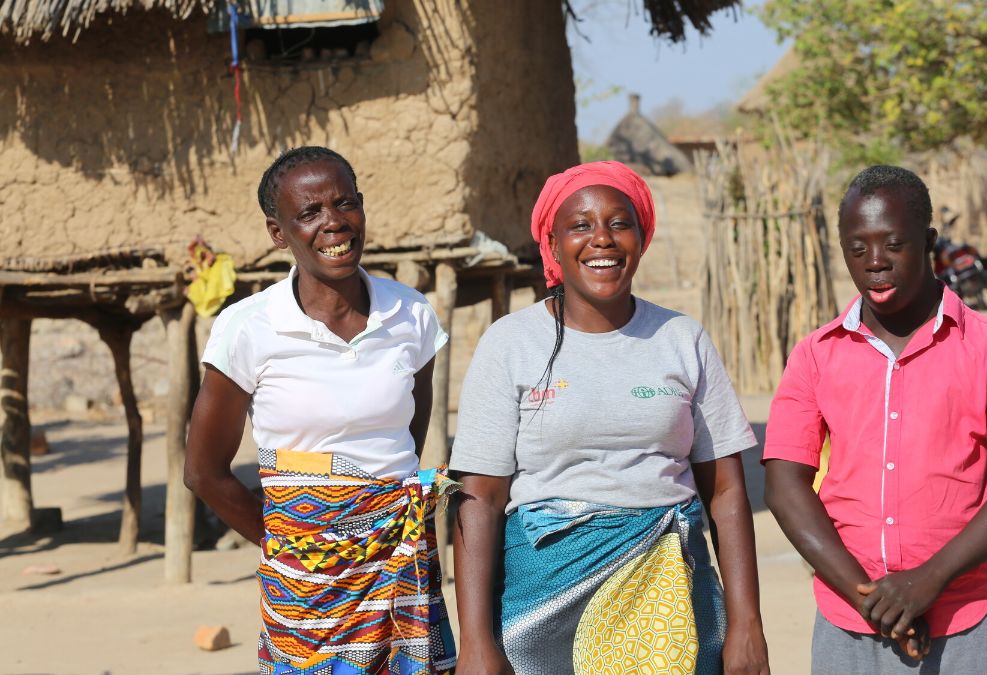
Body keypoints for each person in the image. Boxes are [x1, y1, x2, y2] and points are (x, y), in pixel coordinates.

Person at [449, 160, 770, 675]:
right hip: (543, 605)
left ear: (642, 239)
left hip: (673, 602)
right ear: (552, 244)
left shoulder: (682, 340)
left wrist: (746, 624)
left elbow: (727, 492)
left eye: (619, 223)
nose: (601, 239)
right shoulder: (510, 344)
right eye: (580, 225)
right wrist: (476, 641)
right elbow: (480, 497)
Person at [763, 165, 987, 674]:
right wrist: (869, 598)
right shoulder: (815, 355)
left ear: (928, 241)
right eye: (857, 249)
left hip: (963, 626)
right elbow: (785, 486)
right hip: (846, 627)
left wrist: (928, 580)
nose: (875, 262)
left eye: (893, 245)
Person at [184, 146, 456, 674]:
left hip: (401, 565)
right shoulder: (249, 327)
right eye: (309, 213)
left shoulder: (411, 312)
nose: (334, 223)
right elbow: (204, 472)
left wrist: (372, 517)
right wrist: (289, 545)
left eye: (345, 204)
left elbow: (405, 442)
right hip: (304, 578)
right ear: (278, 232)